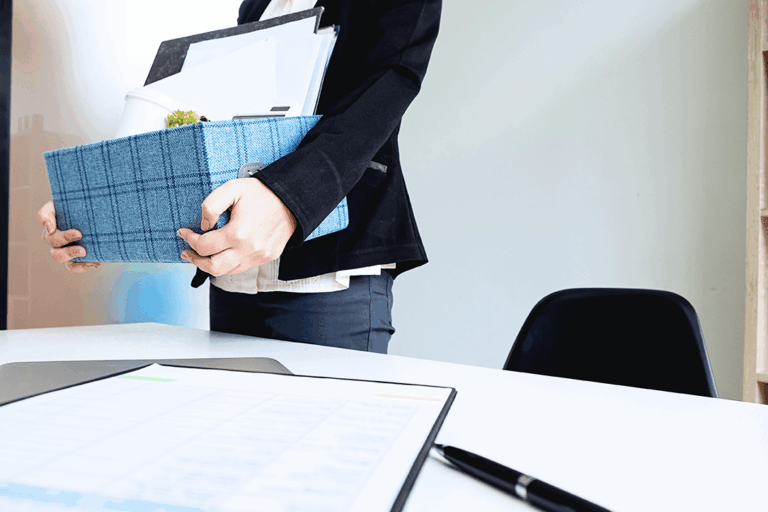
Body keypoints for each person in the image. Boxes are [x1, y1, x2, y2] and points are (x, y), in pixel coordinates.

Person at [37, 0, 442, 354]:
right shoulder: (255, 4)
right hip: (232, 277)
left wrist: (290, 198)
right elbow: (226, 127)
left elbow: (384, 90)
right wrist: (101, 211)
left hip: (328, 274)